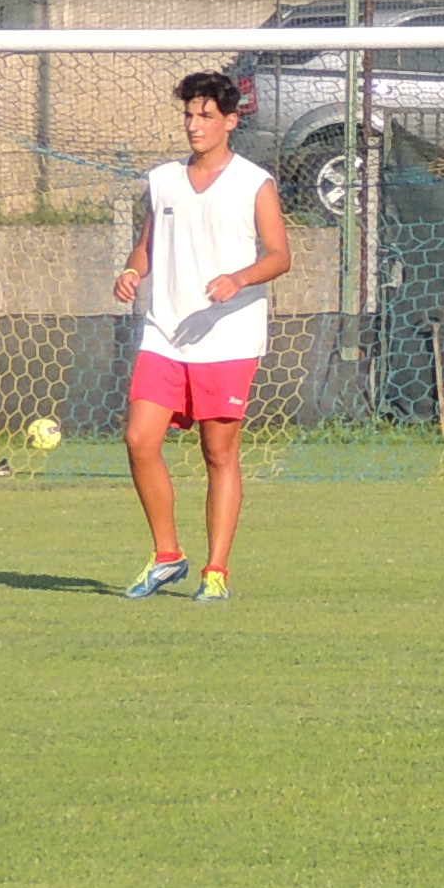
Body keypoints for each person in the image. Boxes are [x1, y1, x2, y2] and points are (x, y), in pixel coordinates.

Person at [112, 69, 285, 602]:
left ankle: (216, 572)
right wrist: (132, 271)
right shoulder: (161, 179)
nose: (194, 125)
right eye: (189, 115)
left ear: (231, 122)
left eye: (206, 116)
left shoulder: (254, 182)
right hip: (165, 331)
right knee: (139, 439)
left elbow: (280, 255)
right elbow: (147, 245)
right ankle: (168, 555)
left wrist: (239, 278)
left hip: (227, 337)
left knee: (218, 453)